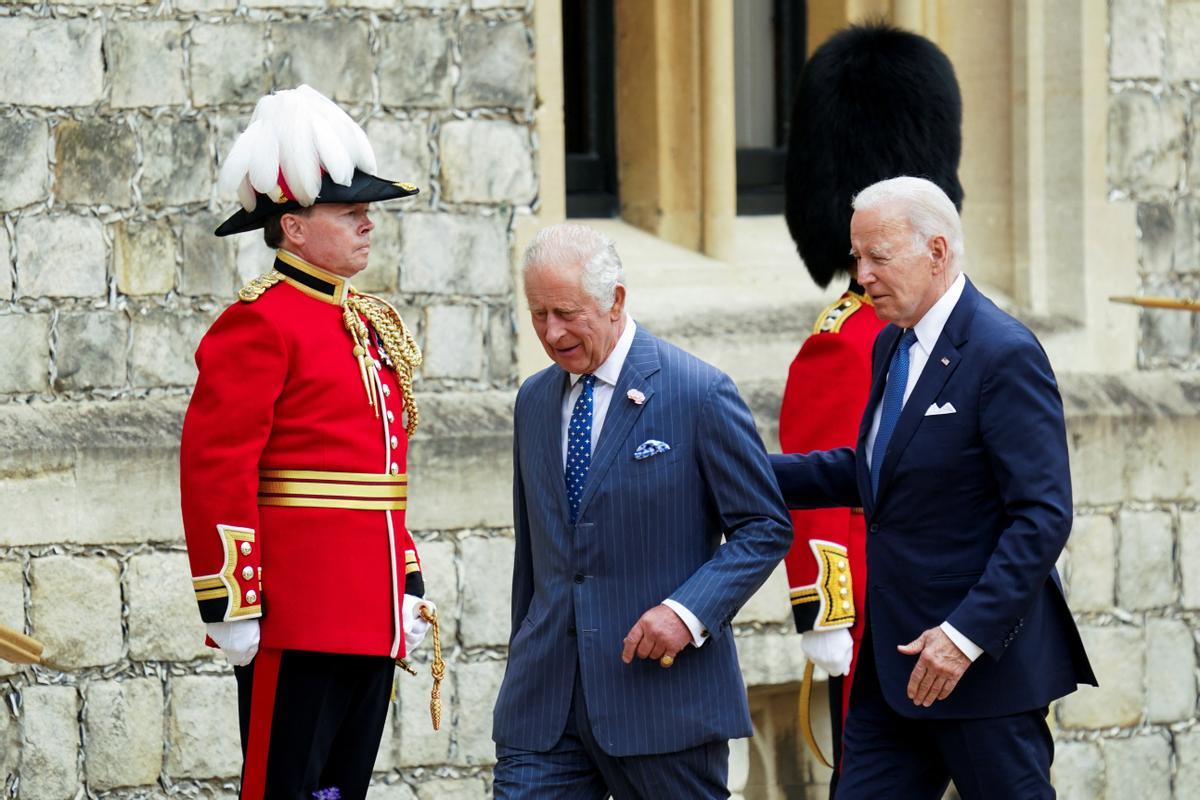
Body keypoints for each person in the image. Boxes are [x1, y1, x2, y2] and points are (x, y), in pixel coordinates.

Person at [771, 177, 1095, 799]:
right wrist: (739, 470)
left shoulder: (1004, 353)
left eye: (878, 258)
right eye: (856, 257)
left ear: (937, 251)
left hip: (978, 672)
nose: (862, 275)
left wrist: (963, 636)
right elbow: (873, 472)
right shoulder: (891, 342)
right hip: (891, 668)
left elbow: (1042, 515)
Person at [180, 85, 434, 800]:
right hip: (295, 611)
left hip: (368, 611)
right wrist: (231, 602)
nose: (367, 223)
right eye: (349, 211)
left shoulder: (366, 322)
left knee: (339, 791)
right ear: (293, 229)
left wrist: (405, 584)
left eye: (367, 211)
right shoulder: (261, 323)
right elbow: (216, 470)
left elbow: (381, 476)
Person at [491, 223, 792, 798]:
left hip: (661, 702)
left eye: (566, 312)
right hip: (544, 705)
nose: (551, 334)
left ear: (616, 301)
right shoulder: (533, 400)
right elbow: (535, 555)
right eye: (537, 314)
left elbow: (764, 526)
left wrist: (687, 612)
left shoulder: (697, 393)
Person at [778, 23, 963, 791]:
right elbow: (820, 489)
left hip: (964, 625)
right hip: (882, 634)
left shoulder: (959, 336)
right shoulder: (846, 343)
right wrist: (826, 619)